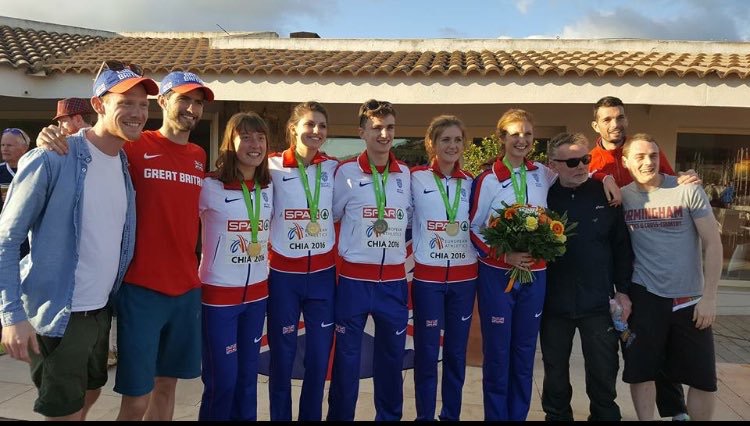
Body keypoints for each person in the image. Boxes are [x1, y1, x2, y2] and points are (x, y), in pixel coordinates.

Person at [36, 68, 215, 421]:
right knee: (136, 399)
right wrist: (50, 136)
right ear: (163, 102)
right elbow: (93, 142)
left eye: (198, 103)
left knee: (167, 387)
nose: (192, 109)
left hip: (186, 288)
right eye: (184, 100)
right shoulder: (133, 144)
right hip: (141, 289)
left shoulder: (198, 155)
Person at [0, 63, 156, 420]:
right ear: (98, 105)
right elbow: (6, 239)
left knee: (91, 391)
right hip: (61, 312)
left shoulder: (123, 163)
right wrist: (12, 317)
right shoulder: (52, 157)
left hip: (99, 310)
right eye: (125, 102)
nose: (137, 113)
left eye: (143, 104)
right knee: (65, 411)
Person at [469, 109, 617, 421]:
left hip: (536, 277)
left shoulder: (541, 172)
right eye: (514, 134)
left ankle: (518, 415)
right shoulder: (488, 179)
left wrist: (605, 176)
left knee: (525, 355)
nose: (521, 140)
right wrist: (503, 256)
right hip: (499, 276)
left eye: (527, 133)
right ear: (502, 138)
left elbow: (575, 173)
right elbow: (474, 228)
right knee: (498, 355)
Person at [588, 95, 695, 421]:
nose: (614, 124)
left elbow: (670, 185)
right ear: (596, 125)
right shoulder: (589, 161)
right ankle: (607, 411)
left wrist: (686, 178)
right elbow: (573, 178)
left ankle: (675, 410)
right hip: (611, 265)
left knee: (656, 340)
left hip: (651, 262)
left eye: (619, 117)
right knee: (620, 344)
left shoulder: (645, 151)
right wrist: (600, 176)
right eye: (607, 119)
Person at [620, 133, 722, 421]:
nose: (648, 162)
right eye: (640, 156)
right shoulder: (622, 195)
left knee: (702, 378)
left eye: (653, 155)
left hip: (688, 298)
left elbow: (713, 243)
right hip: (645, 295)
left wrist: (710, 298)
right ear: (625, 162)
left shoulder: (686, 189)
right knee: (641, 371)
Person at [326, 99, 412, 421]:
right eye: (376, 128)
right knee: (347, 361)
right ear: (361, 132)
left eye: (389, 127)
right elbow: (332, 215)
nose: (384, 134)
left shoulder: (406, 174)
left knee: (391, 360)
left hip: (393, 282)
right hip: (354, 282)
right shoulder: (345, 173)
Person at [542, 132, 632, 421]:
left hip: (598, 302)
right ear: (553, 165)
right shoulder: (543, 196)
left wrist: (623, 291)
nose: (581, 166)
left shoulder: (606, 194)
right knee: (555, 371)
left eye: (585, 159)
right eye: (572, 162)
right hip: (553, 302)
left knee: (604, 369)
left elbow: (622, 247)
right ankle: (557, 416)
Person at [198, 112, 272, 421]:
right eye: (246, 137)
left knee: (247, 380)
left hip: (256, 298)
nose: (255, 145)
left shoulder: (268, 187)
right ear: (230, 141)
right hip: (219, 299)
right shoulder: (209, 186)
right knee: (222, 382)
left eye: (260, 138)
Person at [267, 102, 338, 421]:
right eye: (310, 124)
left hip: (322, 276)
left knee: (319, 359)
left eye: (322, 125)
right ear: (293, 128)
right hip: (284, 276)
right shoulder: (271, 166)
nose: (316, 131)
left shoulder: (333, 168)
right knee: (282, 358)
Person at [410, 115, 477, 421]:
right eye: (445, 139)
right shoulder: (416, 178)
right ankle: (424, 416)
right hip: (428, 279)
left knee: (455, 354)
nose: (452, 146)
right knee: (426, 353)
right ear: (432, 144)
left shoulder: (472, 182)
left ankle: (451, 415)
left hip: (464, 279)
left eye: (458, 140)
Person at [0, 128, 31, 257]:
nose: (4, 149)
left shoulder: (35, 170)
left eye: (9, 145)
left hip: (29, 236)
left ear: (24, 148)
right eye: (2, 145)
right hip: (4, 234)